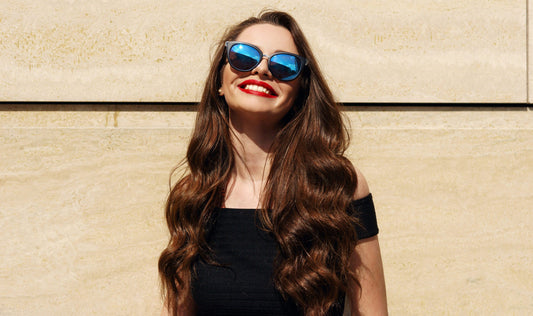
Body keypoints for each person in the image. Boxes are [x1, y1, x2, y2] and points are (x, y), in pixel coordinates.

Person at [159, 10, 387, 316]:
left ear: (300, 92)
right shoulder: (195, 193)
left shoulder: (338, 186)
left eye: (283, 65)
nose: (262, 70)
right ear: (220, 82)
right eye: (243, 57)